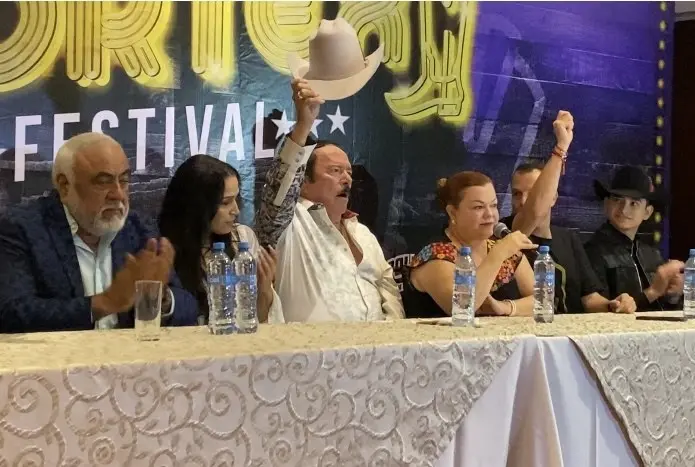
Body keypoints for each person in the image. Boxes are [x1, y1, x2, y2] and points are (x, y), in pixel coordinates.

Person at [0, 132, 198, 333]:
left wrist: (159, 298)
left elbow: (187, 307)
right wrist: (105, 302)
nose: (118, 194)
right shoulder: (21, 228)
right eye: (104, 182)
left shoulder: (137, 227)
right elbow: (12, 312)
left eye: (124, 181)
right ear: (64, 185)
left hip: (130, 360)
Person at [254, 79, 404, 322]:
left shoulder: (362, 232)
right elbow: (279, 189)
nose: (347, 179)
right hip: (311, 356)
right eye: (335, 171)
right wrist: (304, 125)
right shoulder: (291, 225)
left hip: (377, 353)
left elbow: (388, 290)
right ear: (303, 181)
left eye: (349, 172)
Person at [501, 112, 636, 314]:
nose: (522, 201)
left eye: (533, 192)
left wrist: (612, 305)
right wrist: (561, 147)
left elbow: (589, 298)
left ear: (553, 196)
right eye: (516, 194)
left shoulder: (568, 239)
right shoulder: (506, 233)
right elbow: (534, 211)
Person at [158, 155, 282, 325]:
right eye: (226, 202)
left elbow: (255, 322)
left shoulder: (242, 239)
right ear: (198, 206)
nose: (236, 210)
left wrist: (264, 289)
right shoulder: (164, 249)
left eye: (236, 199)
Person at [405, 172, 538, 318]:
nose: (490, 214)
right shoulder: (435, 255)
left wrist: (505, 307)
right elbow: (461, 307)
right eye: (478, 207)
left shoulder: (503, 249)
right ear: (452, 213)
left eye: (493, 205)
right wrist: (497, 254)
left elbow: (543, 301)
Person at [585, 166, 684, 311]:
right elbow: (604, 310)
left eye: (634, 203)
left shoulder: (652, 255)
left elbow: (664, 312)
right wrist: (653, 292)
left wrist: (674, 294)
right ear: (606, 205)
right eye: (617, 200)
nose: (624, 209)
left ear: (647, 212)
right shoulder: (591, 252)